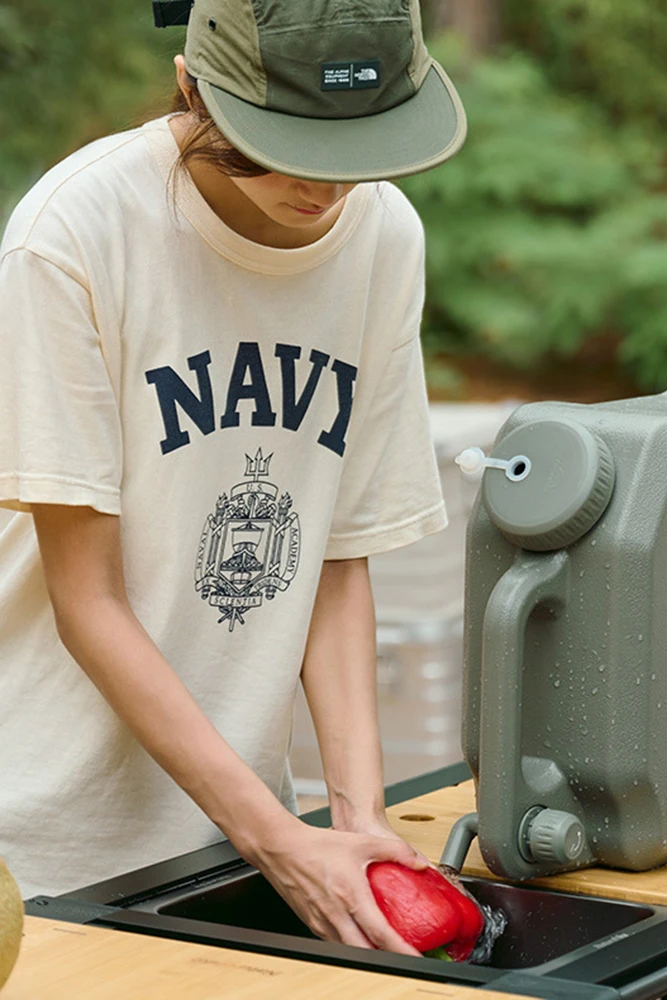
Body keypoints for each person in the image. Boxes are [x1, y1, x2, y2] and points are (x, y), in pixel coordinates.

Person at [0, 0, 466, 955]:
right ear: (190, 85)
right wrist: (281, 842)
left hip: (234, 840)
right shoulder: (73, 233)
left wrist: (357, 821)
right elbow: (87, 597)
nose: (324, 186)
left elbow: (337, 554)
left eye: (354, 149)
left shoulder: (384, 238)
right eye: (283, 143)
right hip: (40, 846)